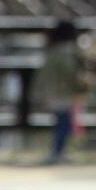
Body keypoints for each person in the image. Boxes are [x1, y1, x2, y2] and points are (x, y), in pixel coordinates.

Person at [31, 21, 89, 163]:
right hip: (63, 93)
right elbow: (70, 73)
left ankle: (59, 151)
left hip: (53, 92)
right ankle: (58, 151)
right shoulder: (67, 52)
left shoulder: (52, 50)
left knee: (62, 123)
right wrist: (80, 85)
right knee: (64, 124)